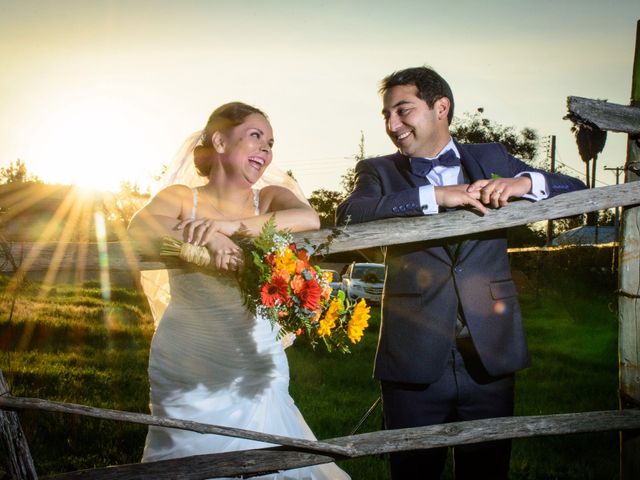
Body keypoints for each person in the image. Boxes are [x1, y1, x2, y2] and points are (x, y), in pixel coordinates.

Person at [336, 66, 586, 479]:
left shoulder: (491, 157)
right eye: (386, 115)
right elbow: (348, 215)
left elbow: (574, 190)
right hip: (413, 360)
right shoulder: (379, 171)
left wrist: (525, 183)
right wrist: (434, 195)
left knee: (487, 472)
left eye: (403, 111)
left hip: (491, 353)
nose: (392, 125)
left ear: (441, 108)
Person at [128, 101, 349, 480]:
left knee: (266, 451)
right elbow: (139, 228)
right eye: (255, 136)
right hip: (188, 353)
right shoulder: (182, 197)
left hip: (254, 351)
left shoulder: (273, 196)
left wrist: (226, 228)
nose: (266, 149)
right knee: (186, 456)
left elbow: (309, 219)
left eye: (270, 142)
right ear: (219, 141)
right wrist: (205, 239)